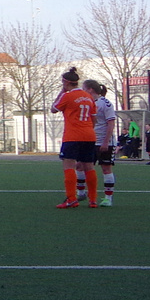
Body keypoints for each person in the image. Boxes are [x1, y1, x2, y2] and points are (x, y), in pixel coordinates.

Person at [51, 67, 99, 208]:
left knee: (68, 165)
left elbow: (53, 109)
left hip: (72, 136)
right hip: (89, 135)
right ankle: (93, 199)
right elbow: (94, 118)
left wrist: (62, 92)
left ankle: (71, 198)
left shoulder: (67, 96)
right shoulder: (88, 97)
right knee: (89, 166)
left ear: (65, 82)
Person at [84, 80, 117, 208]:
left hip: (104, 142)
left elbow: (111, 123)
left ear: (90, 89)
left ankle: (108, 198)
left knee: (106, 168)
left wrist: (105, 142)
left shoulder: (106, 104)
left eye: (84, 88)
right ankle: (83, 193)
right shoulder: (88, 102)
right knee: (82, 166)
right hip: (90, 141)